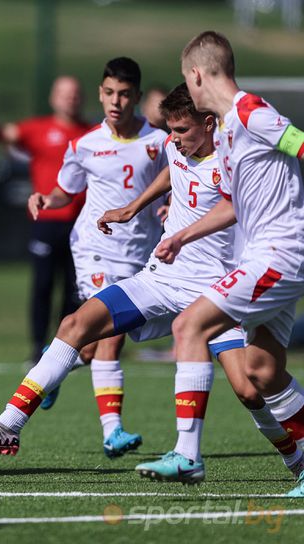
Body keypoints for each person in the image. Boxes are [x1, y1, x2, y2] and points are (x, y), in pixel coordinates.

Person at [0, 57, 167, 458]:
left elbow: (172, 186)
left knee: (87, 339)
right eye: (108, 93)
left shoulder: (160, 142)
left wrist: (170, 209)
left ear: (136, 97)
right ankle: (112, 431)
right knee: (111, 339)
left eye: (124, 94)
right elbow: (64, 192)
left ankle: (56, 370)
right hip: (95, 250)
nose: (115, 101)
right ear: (100, 94)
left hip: (142, 256)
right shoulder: (85, 144)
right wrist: (44, 199)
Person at [154, 31, 304, 495]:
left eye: (186, 79)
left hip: (281, 252)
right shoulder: (228, 130)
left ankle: (187, 456)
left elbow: (300, 143)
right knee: (261, 370)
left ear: (196, 75)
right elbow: (232, 205)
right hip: (265, 255)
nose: (188, 87)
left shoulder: (250, 111)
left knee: (189, 326)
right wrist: (181, 233)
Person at [0, 76, 92, 377]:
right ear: (53, 98)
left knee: (76, 290)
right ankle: (37, 348)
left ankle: (65, 349)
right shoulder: (39, 128)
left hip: (83, 225)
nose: (70, 99)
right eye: (64, 94)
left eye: (75, 94)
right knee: (43, 286)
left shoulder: (92, 133)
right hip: (47, 222)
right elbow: (8, 134)